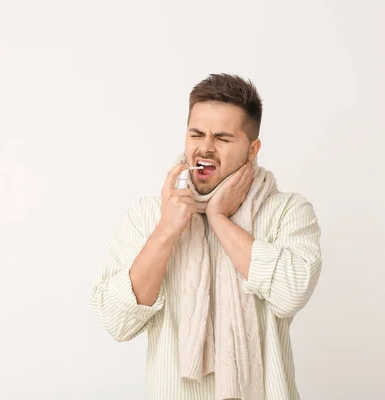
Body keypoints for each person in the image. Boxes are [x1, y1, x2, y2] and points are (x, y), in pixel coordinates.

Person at [91, 73, 322, 400]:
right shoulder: (149, 215)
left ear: (252, 149)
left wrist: (219, 219)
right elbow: (116, 321)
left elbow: (291, 293)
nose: (205, 147)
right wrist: (167, 230)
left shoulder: (288, 211)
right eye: (196, 134)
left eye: (223, 138)